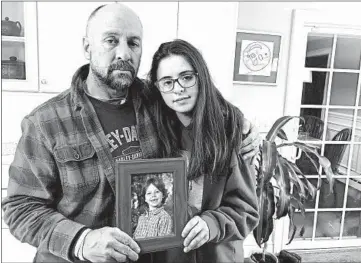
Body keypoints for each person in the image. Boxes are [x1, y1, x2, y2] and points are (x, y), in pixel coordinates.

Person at [1, 3, 260, 263]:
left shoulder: (157, 100)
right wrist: (82, 241)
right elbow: (20, 209)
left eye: (133, 43)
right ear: (87, 47)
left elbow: (203, 102)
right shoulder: (45, 122)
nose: (123, 53)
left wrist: (242, 126)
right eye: (111, 40)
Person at [138, 39, 259, 263]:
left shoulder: (232, 130)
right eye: (167, 82)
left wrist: (211, 223)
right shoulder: (154, 130)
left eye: (186, 77)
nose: (178, 89)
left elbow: (247, 210)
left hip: (216, 256)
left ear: (200, 77)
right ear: (158, 87)